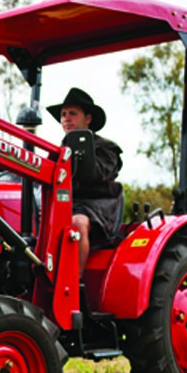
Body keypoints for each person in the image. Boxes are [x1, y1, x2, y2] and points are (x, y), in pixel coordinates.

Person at [47, 88, 123, 274]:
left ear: (88, 118)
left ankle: (74, 284)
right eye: (63, 114)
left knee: (77, 223)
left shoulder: (106, 149)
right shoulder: (56, 152)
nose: (66, 118)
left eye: (73, 113)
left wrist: (76, 159)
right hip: (65, 204)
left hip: (96, 206)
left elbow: (97, 173)